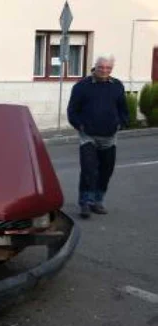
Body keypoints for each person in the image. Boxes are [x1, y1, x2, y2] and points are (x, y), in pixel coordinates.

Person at [67, 54, 128, 219]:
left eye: (108, 68)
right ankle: (85, 202)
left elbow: (123, 108)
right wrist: (80, 125)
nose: (104, 71)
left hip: (109, 136)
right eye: (101, 67)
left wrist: (121, 123)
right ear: (95, 67)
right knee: (88, 170)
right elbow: (72, 111)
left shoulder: (117, 86)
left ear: (111, 69)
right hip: (88, 136)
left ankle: (98, 200)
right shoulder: (82, 86)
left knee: (106, 170)